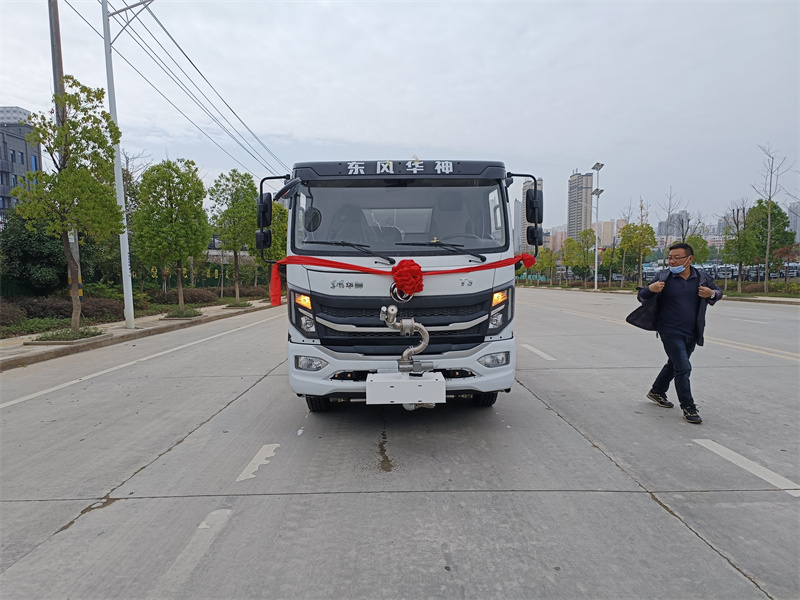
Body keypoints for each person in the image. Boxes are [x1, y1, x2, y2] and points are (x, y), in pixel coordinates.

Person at [637, 242, 722, 423]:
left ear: (689, 259)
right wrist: (650, 290)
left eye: (677, 258)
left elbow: (718, 292)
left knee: (674, 364)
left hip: (692, 330)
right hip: (669, 329)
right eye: (670, 258)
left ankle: (657, 391)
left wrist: (711, 294)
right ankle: (688, 407)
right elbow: (642, 296)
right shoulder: (663, 277)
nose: (672, 262)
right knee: (683, 367)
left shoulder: (702, 278)